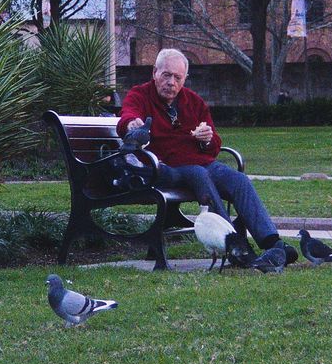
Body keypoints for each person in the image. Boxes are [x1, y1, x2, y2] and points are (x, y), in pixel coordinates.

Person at [117, 48, 286, 253]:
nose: (171, 82)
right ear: (155, 73)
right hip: (163, 166)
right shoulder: (140, 95)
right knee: (198, 173)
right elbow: (127, 117)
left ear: (184, 79)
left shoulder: (194, 101)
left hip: (200, 163)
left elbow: (214, 146)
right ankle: (234, 245)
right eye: (166, 75)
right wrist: (132, 124)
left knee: (239, 181)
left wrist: (207, 140)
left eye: (177, 77)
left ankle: (272, 243)